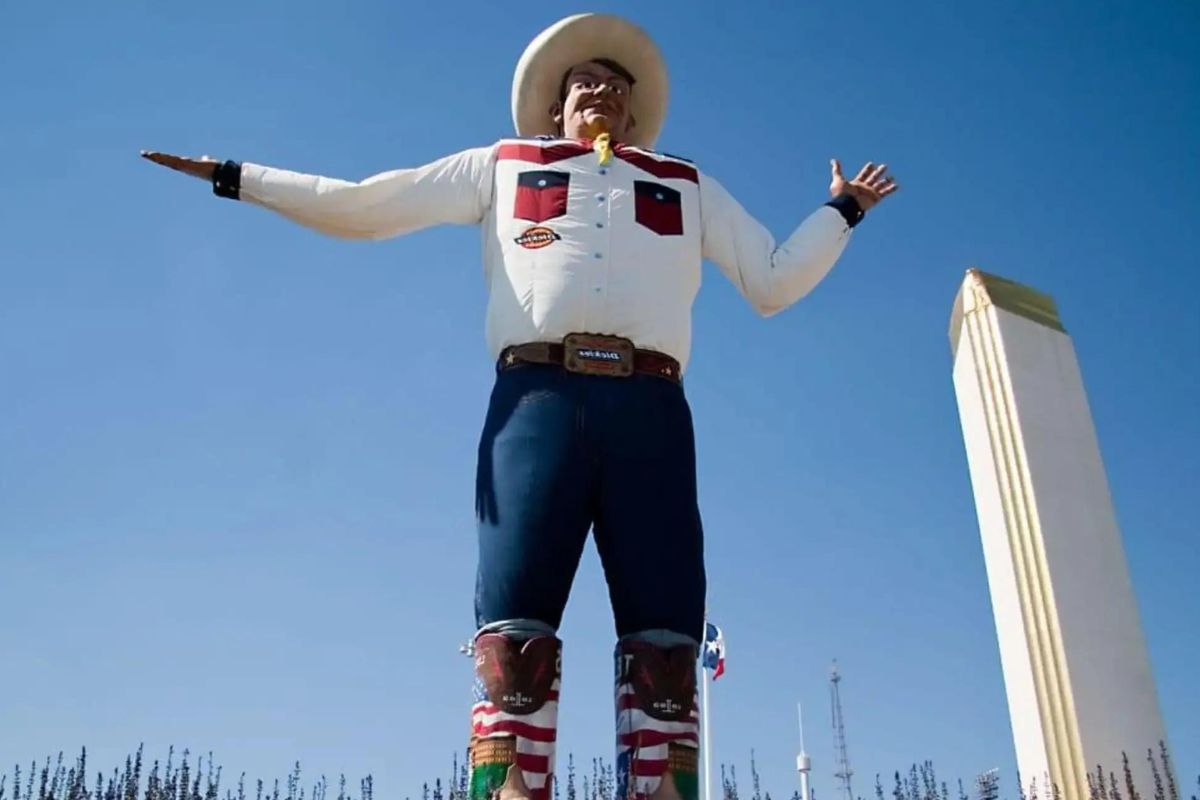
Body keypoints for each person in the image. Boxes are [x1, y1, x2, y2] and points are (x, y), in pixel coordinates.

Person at [143, 13, 897, 800]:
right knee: (514, 640)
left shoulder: (684, 182)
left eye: (614, 83)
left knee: (667, 646)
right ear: (553, 106)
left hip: (653, 412)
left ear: (634, 111)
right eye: (581, 82)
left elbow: (772, 281)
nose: (598, 89)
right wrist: (237, 176)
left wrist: (839, 211)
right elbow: (368, 205)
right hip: (535, 404)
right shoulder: (500, 165)